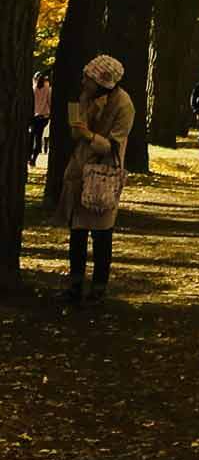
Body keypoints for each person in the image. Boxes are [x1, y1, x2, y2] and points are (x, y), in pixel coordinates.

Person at [58, 53, 134, 305]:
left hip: (103, 175)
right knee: (77, 230)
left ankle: (99, 286)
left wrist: (89, 135)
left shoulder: (123, 104)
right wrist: (82, 114)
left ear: (102, 82)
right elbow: (74, 131)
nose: (83, 82)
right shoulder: (84, 98)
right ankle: (75, 282)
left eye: (88, 79)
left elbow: (114, 146)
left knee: (102, 234)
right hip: (79, 171)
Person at [29, 73, 50, 165]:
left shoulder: (33, 88)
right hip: (43, 117)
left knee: (30, 137)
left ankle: (29, 157)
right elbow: (49, 102)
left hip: (33, 117)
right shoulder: (48, 88)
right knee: (38, 137)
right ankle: (34, 158)